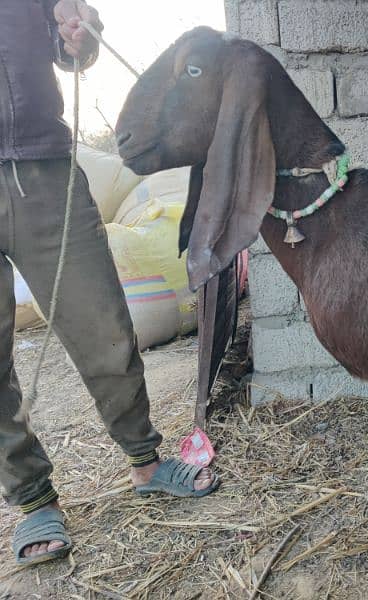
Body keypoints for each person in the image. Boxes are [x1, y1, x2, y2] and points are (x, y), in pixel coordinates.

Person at [0, 0, 219, 566]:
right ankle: (33, 500)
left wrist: (79, 36)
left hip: (42, 168)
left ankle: (146, 460)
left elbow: (72, 43)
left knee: (103, 324)